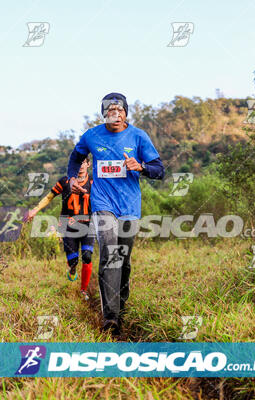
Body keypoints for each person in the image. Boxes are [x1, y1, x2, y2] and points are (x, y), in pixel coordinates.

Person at [67, 92, 164, 335]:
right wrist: (71, 178)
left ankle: (121, 306)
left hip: (130, 207)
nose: (116, 115)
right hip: (102, 204)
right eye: (111, 112)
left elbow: (159, 170)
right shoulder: (92, 136)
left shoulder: (139, 136)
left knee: (124, 259)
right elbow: (76, 156)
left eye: (120, 111)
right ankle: (110, 317)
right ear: (104, 114)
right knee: (110, 254)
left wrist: (140, 166)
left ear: (126, 113)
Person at [28, 158, 94, 300]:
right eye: (78, 163)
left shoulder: (94, 183)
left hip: (88, 224)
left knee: (87, 256)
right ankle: (72, 268)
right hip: (67, 225)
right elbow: (49, 197)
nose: (81, 166)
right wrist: (35, 210)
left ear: (88, 164)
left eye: (83, 163)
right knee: (73, 261)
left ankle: (83, 290)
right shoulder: (65, 181)